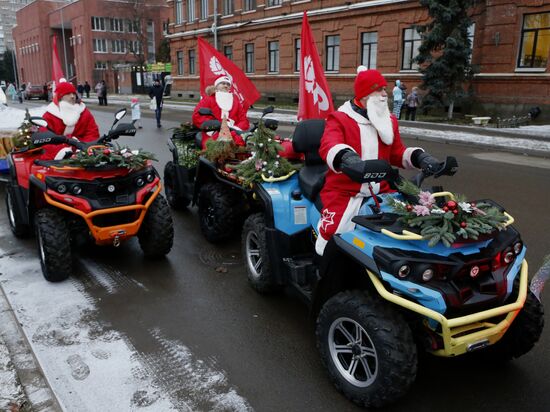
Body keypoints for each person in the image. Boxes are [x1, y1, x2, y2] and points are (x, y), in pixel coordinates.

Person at [315, 67, 444, 255]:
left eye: (385, 89)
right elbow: (329, 145)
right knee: (333, 233)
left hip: (383, 189)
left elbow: (397, 152)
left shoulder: (388, 120)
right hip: (346, 191)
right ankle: (326, 271)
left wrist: (420, 158)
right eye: (380, 90)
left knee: (410, 224)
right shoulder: (340, 119)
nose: (385, 94)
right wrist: (347, 157)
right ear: (366, 94)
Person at [41, 81, 99, 160]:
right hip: (58, 155)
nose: (72, 96)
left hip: (83, 152)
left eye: (73, 93)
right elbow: (46, 139)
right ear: (60, 96)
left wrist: (83, 147)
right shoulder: (50, 115)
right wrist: (64, 151)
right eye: (68, 94)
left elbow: (92, 132)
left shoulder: (84, 112)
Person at [192, 75, 250, 148]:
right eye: (223, 83)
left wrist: (237, 128)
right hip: (214, 131)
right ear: (216, 86)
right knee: (217, 149)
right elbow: (197, 115)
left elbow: (243, 119)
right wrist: (212, 126)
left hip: (233, 131)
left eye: (228, 84)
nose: (226, 86)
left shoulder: (235, 101)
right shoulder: (208, 99)